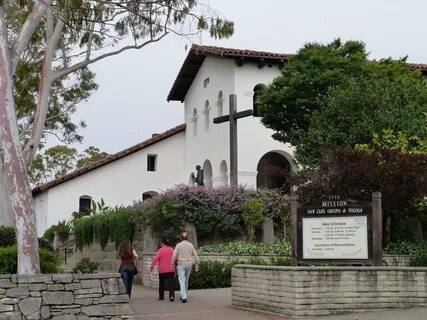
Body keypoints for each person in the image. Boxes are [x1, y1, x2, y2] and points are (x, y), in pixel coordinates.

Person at [171, 232, 200, 303]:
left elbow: (174, 255)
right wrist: (197, 264)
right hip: (189, 263)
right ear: (187, 237)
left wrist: (172, 264)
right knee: (186, 280)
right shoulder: (191, 245)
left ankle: (183, 297)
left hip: (181, 263)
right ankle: (184, 294)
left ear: (181, 237)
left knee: (181, 280)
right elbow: (196, 255)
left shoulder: (178, 245)